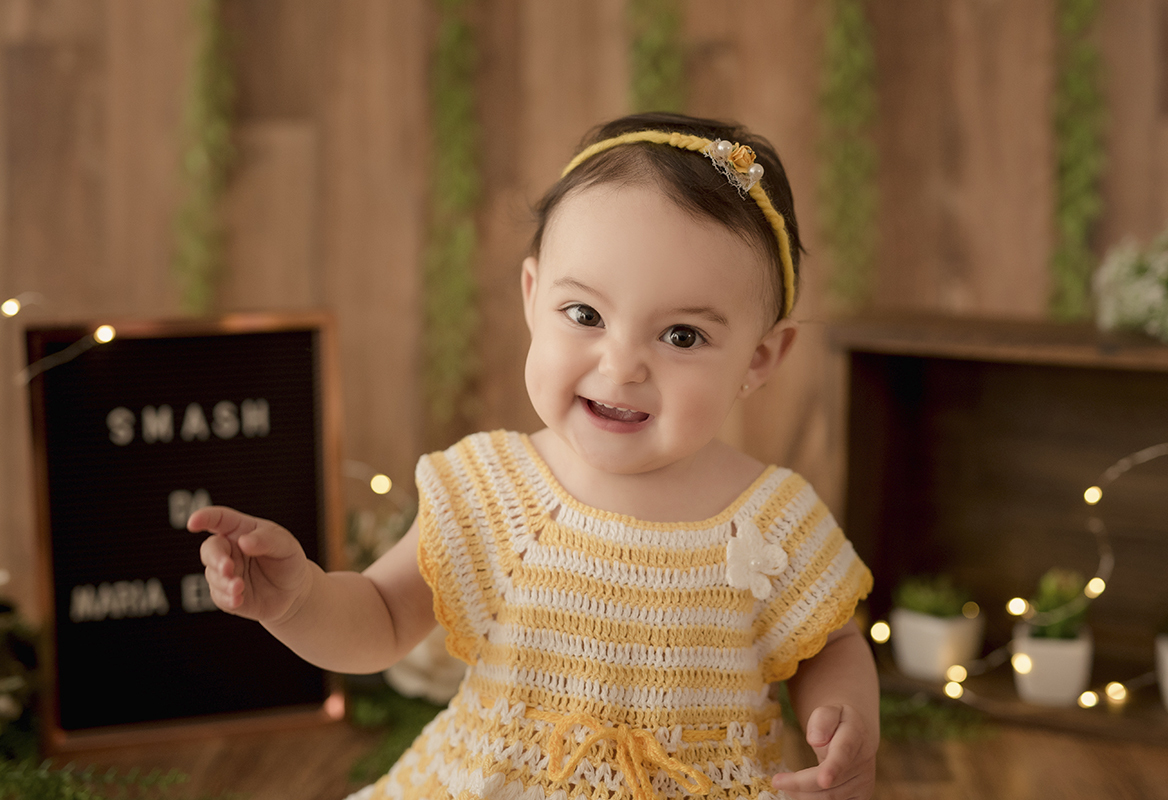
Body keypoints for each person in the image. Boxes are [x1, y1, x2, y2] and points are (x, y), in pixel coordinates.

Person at [192, 112, 877, 800]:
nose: (622, 365)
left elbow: (832, 642)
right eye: (585, 315)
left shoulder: (774, 518)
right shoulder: (496, 490)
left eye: (681, 335)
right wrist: (299, 601)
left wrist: (845, 725)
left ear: (759, 358)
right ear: (532, 297)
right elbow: (381, 616)